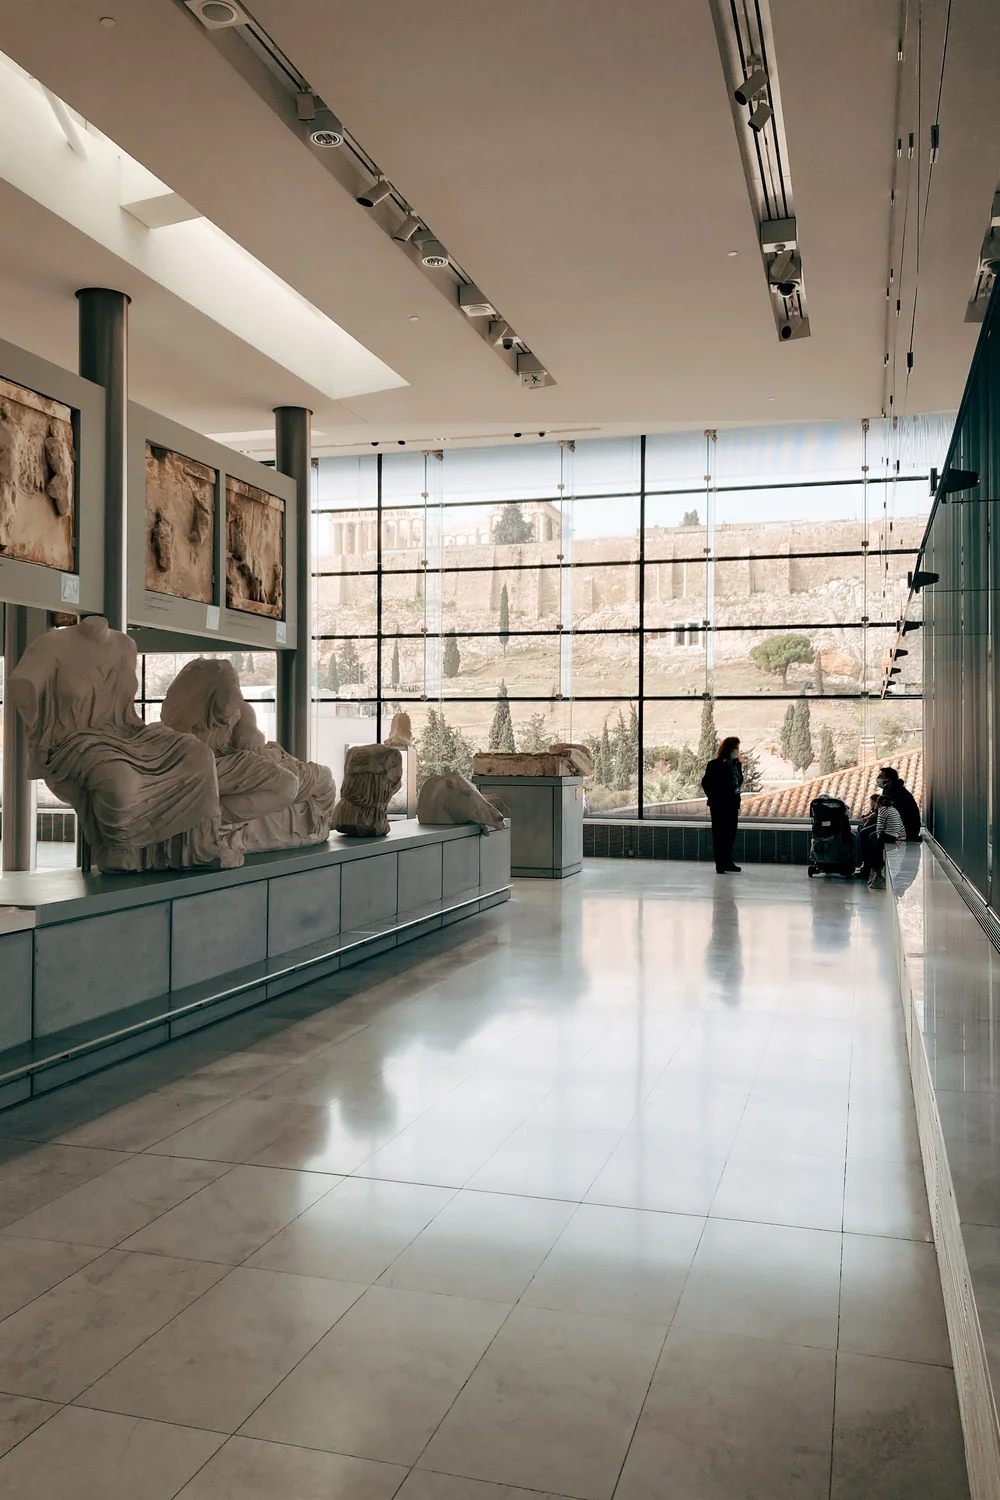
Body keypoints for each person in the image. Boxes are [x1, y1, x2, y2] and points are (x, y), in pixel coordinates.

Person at [702, 735, 743, 874]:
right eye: (735, 748)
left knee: (730, 833)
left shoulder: (737, 765)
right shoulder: (714, 765)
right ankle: (720, 862)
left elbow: (738, 781)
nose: (737, 751)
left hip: (732, 804)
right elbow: (706, 783)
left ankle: (728, 861)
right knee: (719, 834)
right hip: (719, 805)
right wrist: (714, 797)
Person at [866, 792, 906, 889]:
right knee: (874, 842)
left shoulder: (882, 810)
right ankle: (875, 873)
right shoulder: (894, 810)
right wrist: (901, 836)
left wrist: (878, 839)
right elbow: (900, 825)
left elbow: (879, 827)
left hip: (888, 835)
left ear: (878, 804)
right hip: (897, 836)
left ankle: (877, 875)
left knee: (874, 849)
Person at [877, 765, 921, 841]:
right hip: (894, 825)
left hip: (907, 829)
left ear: (888, 780)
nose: (878, 779)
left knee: (872, 836)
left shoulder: (900, 793)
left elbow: (898, 814)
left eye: (881, 777)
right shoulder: (887, 791)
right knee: (866, 832)